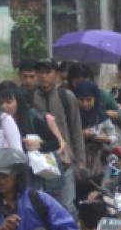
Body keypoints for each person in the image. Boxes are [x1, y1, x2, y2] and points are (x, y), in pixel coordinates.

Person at [32, 58, 86, 215]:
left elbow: (76, 129)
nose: (43, 76)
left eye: (47, 72)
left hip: (65, 160)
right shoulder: (31, 98)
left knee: (67, 205)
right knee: (44, 206)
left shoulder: (66, 96)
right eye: (40, 72)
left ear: (55, 74)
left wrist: (80, 162)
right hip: (42, 161)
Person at [0, 81, 61, 188]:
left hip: (31, 176)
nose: (4, 106)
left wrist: (39, 145)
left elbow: (55, 143)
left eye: (8, 102)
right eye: (1, 103)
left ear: (18, 102)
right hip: (6, 175)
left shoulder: (31, 118)